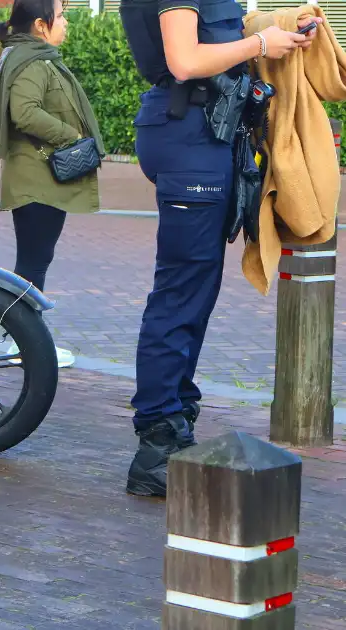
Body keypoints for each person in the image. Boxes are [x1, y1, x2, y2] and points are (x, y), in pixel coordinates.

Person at [118, 0, 319, 497]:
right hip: (190, 135)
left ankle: (175, 421)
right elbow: (184, 61)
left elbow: (206, 40)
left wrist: (275, 29)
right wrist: (260, 45)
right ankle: (157, 442)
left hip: (199, 133)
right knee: (182, 290)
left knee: (196, 287)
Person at [0, 0, 104, 370]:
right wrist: (71, 135)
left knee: (34, 262)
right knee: (32, 264)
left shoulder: (28, 56)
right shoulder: (32, 61)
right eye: (62, 15)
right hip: (37, 178)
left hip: (36, 177)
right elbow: (25, 111)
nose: (66, 22)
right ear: (40, 24)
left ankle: (21, 341)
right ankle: (23, 344)